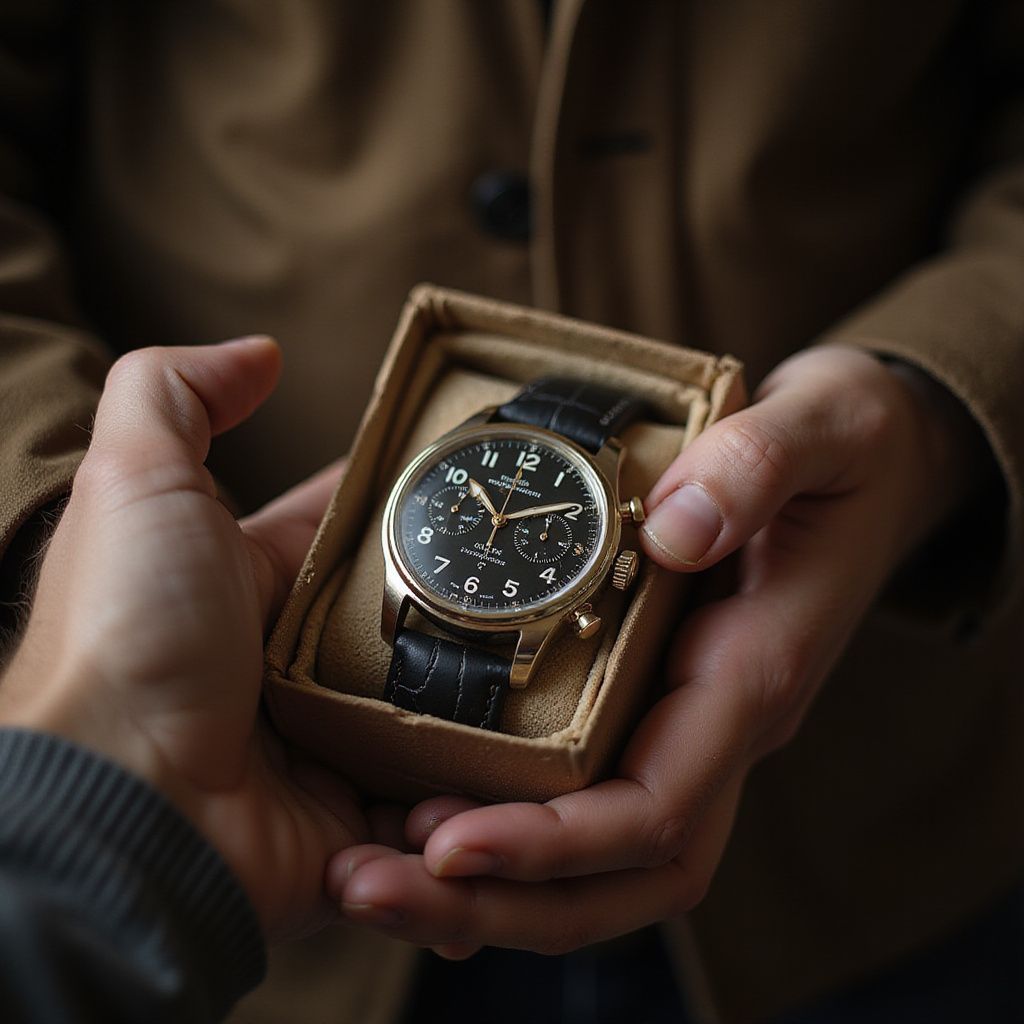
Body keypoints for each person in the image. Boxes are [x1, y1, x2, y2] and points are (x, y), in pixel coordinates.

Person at [1, 3, 1022, 1022]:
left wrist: (936, 410)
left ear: (609, 560)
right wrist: (65, 540)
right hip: (297, 907)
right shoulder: (446, 542)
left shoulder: (583, 580)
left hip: (863, 835)